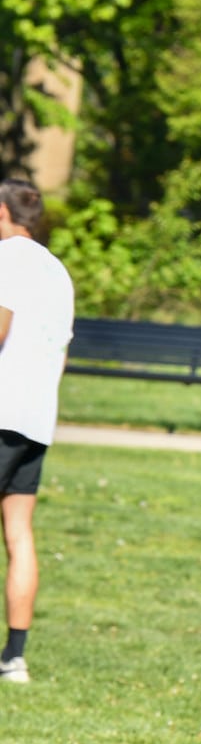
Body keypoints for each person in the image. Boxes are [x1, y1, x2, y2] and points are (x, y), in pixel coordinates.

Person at [0, 179, 75, 685]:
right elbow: (60, 353)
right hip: (36, 417)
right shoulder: (57, 271)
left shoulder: (7, 259)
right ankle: (15, 657)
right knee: (19, 533)